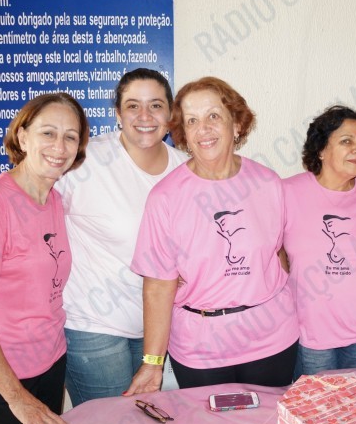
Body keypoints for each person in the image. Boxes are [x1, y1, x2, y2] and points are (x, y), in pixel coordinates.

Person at [125, 76, 299, 393]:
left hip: (271, 338)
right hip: (201, 349)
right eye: (192, 121)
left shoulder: (268, 183)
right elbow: (158, 287)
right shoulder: (165, 198)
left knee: (267, 421)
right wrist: (152, 363)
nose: (202, 129)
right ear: (184, 134)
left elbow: (279, 253)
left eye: (213, 116)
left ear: (237, 125)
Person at [0, 93, 89, 424]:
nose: (59, 146)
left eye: (70, 136)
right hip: (5, 380)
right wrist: (17, 398)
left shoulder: (54, 199)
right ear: (23, 136)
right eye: (48, 133)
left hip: (50, 362)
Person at [55, 68, 187, 406]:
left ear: (170, 114)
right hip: (94, 328)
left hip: (161, 330)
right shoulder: (85, 161)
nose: (145, 116)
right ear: (117, 113)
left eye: (155, 105)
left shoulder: (185, 168)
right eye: (132, 106)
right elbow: (31, 198)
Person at [282, 106, 356, 376]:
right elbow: (266, 247)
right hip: (309, 331)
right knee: (315, 402)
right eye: (346, 141)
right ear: (321, 150)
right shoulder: (288, 192)